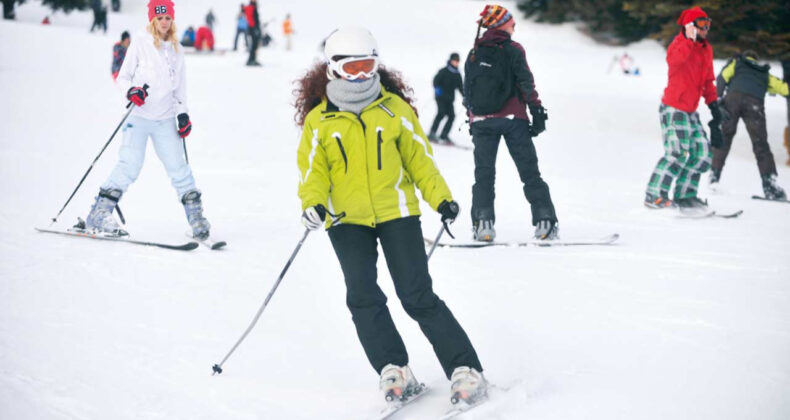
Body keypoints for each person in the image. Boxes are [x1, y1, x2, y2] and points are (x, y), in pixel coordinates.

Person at [294, 26, 487, 406]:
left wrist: (441, 199)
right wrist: (313, 203)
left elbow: (421, 162)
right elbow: (312, 172)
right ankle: (394, 368)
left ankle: (466, 370)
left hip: (397, 212)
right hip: (346, 219)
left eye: (369, 66)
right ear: (333, 68)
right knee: (363, 298)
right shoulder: (320, 120)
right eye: (353, 68)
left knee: (417, 296)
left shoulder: (393, 109)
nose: (363, 75)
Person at [85, 0, 212, 241]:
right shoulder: (140, 42)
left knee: (179, 167)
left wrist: (182, 113)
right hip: (139, 116)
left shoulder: (177, 48)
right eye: (160, 18)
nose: (164, 23)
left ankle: (196, 218)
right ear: (152, 19)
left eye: (168, 18)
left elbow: (180, 89)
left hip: (165, 118)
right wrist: (131, 90)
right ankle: (99, 213)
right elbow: (122, 78)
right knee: (129, 164)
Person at [463, 4, 556, 241]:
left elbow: (467, 89)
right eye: (511, 22)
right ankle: (545, 222)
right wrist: (537, 111)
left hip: (482, 121)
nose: (514, 25)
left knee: (484, 175)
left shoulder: (474, 52)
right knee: (529, 172)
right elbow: (526, 82)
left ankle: (482, 224)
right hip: (513, 119)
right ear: (501, 24)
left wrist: (473, 117)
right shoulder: (514, 49)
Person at [644, 6, 723, 214]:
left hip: (690, 110)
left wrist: (714, 105)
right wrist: (688, 39)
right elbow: (675, 61)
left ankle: (686, 195)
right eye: (702, 25)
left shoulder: (706, 49)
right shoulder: (679, 45)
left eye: (709, 25)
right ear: (690, 26)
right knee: (677, 152)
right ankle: (654, 194)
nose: (706, 29)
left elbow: (707, 80)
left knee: (703, 154)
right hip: (673, 107)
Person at [711, 50, 789, 200]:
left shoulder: (736, 63)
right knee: (761, 144)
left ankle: (714, 177)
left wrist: (718, 98)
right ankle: (770, 185)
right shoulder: (763, 72)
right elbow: (783, 88)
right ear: (756, 59)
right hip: (755, 104)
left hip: (732, 101)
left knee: (724, 138)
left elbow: (722, 77)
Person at [429, 52, 463, 144]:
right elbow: (435, 80)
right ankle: (432, 133)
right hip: (440, 97)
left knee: (452, 116)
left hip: (449, 99)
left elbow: (460, 87)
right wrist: (437, 89)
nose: (456, 62)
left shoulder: (457, 74)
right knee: (441, 113)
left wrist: (465, 96)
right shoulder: (444, 71)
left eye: (457, 61)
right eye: (454, 60)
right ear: (450, 60)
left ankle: (444, 135)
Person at [244, 0, 261, 66]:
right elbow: (253, 20)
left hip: (251, 29)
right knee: (254, 45)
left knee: (254, 45)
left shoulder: (250, 7)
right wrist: (255, 29)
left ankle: (252, 59)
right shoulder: (252, 8)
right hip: (253, 29)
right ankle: (251, 60)